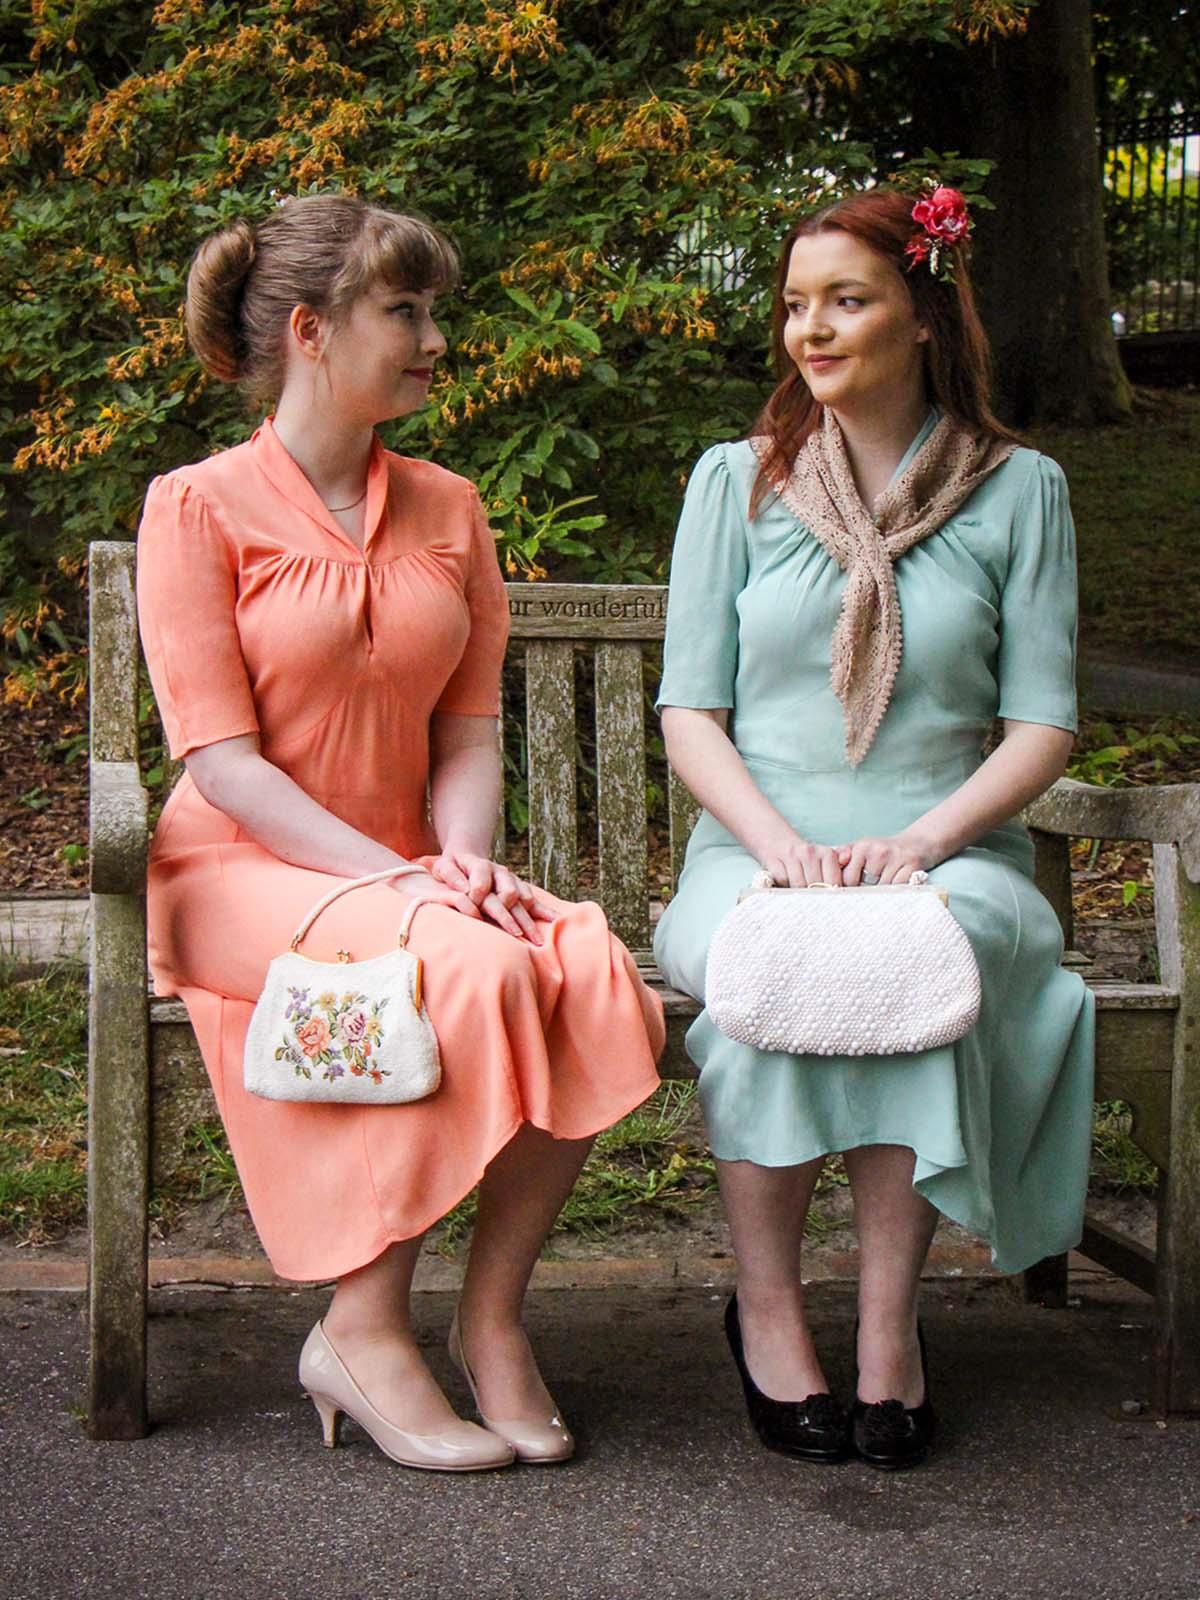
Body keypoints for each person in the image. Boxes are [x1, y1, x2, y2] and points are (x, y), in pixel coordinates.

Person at [136, 194, 665, 1473]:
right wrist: (411, 886)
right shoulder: (197, 507)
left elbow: (467, 734)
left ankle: (490, 1321)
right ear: (311, 331)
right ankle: (363, 1329)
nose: (436, 339)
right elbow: (223, 765)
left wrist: (462, 864)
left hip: (406, 871)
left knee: (590, 971)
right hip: (236, 869)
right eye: (406, 311)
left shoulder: (451, 506)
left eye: (435, 312)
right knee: (470, 965)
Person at [653, 186, 1094, 1470]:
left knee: (920, 951)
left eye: (847, 300)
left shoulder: (1021, 492)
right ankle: (771, 1313)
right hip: (758, 846)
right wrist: (778, 848)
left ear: (924, 315)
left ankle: (890, 1331)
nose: (812, 328)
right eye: (797, 304)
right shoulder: (736, 482)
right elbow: (691, 713)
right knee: (776, 950)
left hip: (952, 854)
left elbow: (1042, 727)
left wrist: (920, 846)